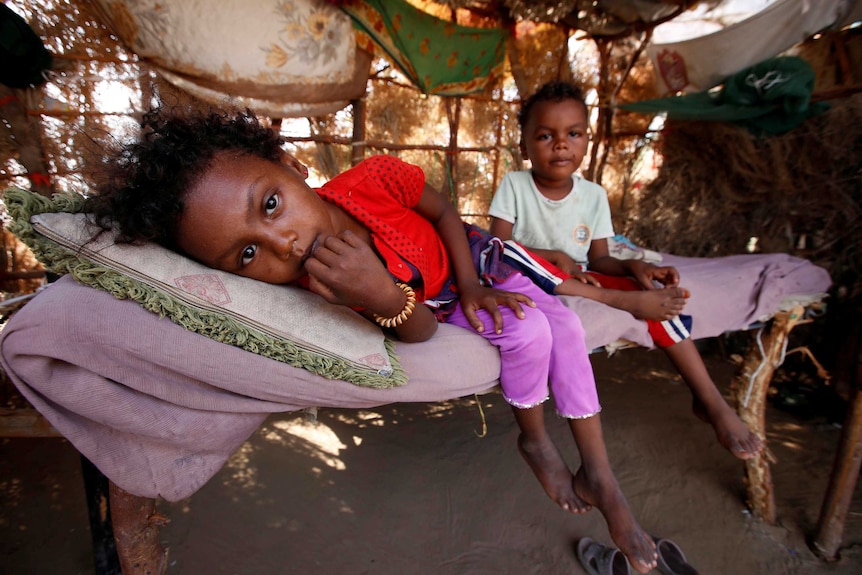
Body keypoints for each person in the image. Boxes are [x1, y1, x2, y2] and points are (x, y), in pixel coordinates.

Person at [86, 107, 658, 573]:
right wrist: (382, 297)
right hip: (435, 303)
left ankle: (600, 472)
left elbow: (444, 214)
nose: (281, 242)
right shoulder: (319, 288)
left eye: (269, 204)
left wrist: (472, 286)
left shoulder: (374, 179)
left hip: (469, 266)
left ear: (287, 165)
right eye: (247, 254)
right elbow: (423, 330)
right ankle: (535, 440)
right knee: (534, 326)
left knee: (564, 318)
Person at [489, 80, 763, 461]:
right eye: (545, 135)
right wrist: (549, 256)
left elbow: (599, 261)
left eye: (573, 133)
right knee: (609, 289)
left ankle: (709, 400)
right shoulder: (515, 185)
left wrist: (634, 264)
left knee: (644, 291)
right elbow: (495, 248)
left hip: (582, 277)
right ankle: (708, 399)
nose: (561, 144)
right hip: (531, 279)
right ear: (524, 146)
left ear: (588, 139)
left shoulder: (594, 196)